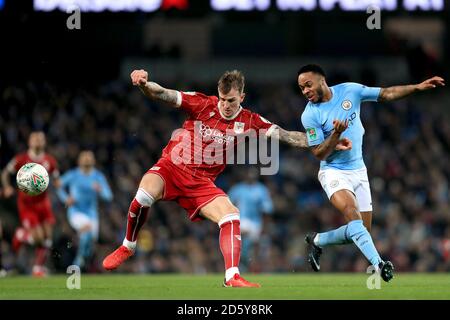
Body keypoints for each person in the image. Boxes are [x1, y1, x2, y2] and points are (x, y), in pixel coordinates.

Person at [102, 69, 352, 287]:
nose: (225, 105)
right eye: (222, 99)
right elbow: (163, 94)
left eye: (231, 100)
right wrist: (145, 84)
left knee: (231, 216)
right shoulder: (202, 103)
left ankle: (232, 276)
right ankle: (128, 245)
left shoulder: (251, 121)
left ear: (241, 97)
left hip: (201, 183)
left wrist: (329, 141)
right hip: (172, 167)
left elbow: (289, 136)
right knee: (143, 195)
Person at [298, 64, 445, 282]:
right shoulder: (309, 115)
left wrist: (416, 87)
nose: (305, 91)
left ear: (322, 80)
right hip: (333, 172)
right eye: (301, 88)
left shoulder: (350, 90)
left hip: (359, 171)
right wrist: (336, 135)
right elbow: (319, 152)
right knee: (350, 211)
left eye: (308, 85)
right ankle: (379, 264)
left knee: (361, 231)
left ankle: (317, 240)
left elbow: (385, 94)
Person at [1, 131, 60, 277]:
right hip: (27, 205)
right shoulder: (21, 159)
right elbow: (5, 173)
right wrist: (7, 186)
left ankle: (37, 268)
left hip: (43, 203)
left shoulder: (50, 161)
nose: (38, 141)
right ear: (29, 142)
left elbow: (57, 179)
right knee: (38, 238)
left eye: (41, 139)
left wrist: (62, 189)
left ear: (45, 142)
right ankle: (21, 235)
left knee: (48, 238)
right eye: (35, 139)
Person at [56, 150, 113, 270]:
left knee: (90, 243)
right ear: (79, 160)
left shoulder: (98, 177)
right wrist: (66, 198)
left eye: (89, 157)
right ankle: (78, 262)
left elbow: (109, 196)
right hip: (75, 211)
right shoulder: (73, 175)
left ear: (94, 160)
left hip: (92, 214)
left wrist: (100, 190)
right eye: (84, 157)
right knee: (86, 229)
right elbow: (58, 185)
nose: (87, 159)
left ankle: (84, 260)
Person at [228, 168, 273, 270]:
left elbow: (266, 210)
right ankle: (244, 264)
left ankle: (255, 266)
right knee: (244, 244)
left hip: (257, 223)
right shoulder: (237, 189)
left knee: (259, 248)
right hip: (240, 221)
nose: (250, 176)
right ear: (245, 175)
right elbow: (228, 206)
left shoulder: (261, 190)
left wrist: (265, 227)